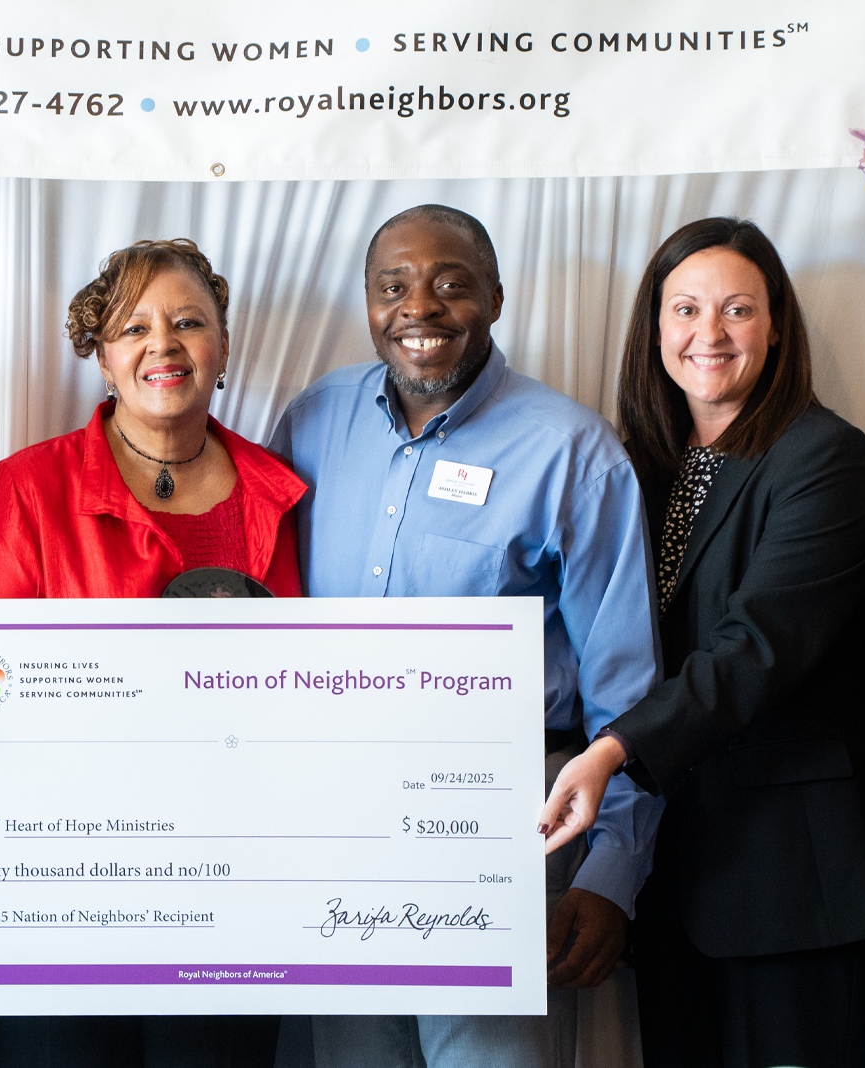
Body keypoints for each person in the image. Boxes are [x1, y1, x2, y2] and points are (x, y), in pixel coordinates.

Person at [268, 204, 663, 1068]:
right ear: (367, 302)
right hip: (338, 825)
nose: (421, 308)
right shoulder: (311, 421)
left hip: (501, 828)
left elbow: (627, 691)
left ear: (496, 298)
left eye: (452, 285)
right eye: (393, 286)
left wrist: (610, 878)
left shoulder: (573, 452)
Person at [538, 217, 865, 1068]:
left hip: (791, 882)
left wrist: (610, 752)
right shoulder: (642, 469)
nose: (710, 334)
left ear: (776, 325)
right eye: (686, 309)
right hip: (675, 880)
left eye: (738, 310)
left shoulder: (825, 459)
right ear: (654, 328)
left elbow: (757, 648)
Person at [0, 238, 304, 1067]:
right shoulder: (27, 490)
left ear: (223, 344)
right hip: (61, 898)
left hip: (232, 892)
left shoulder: (279, 493)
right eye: (133, 327)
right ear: (102, 357)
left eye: (188, 322)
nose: (163, 345)